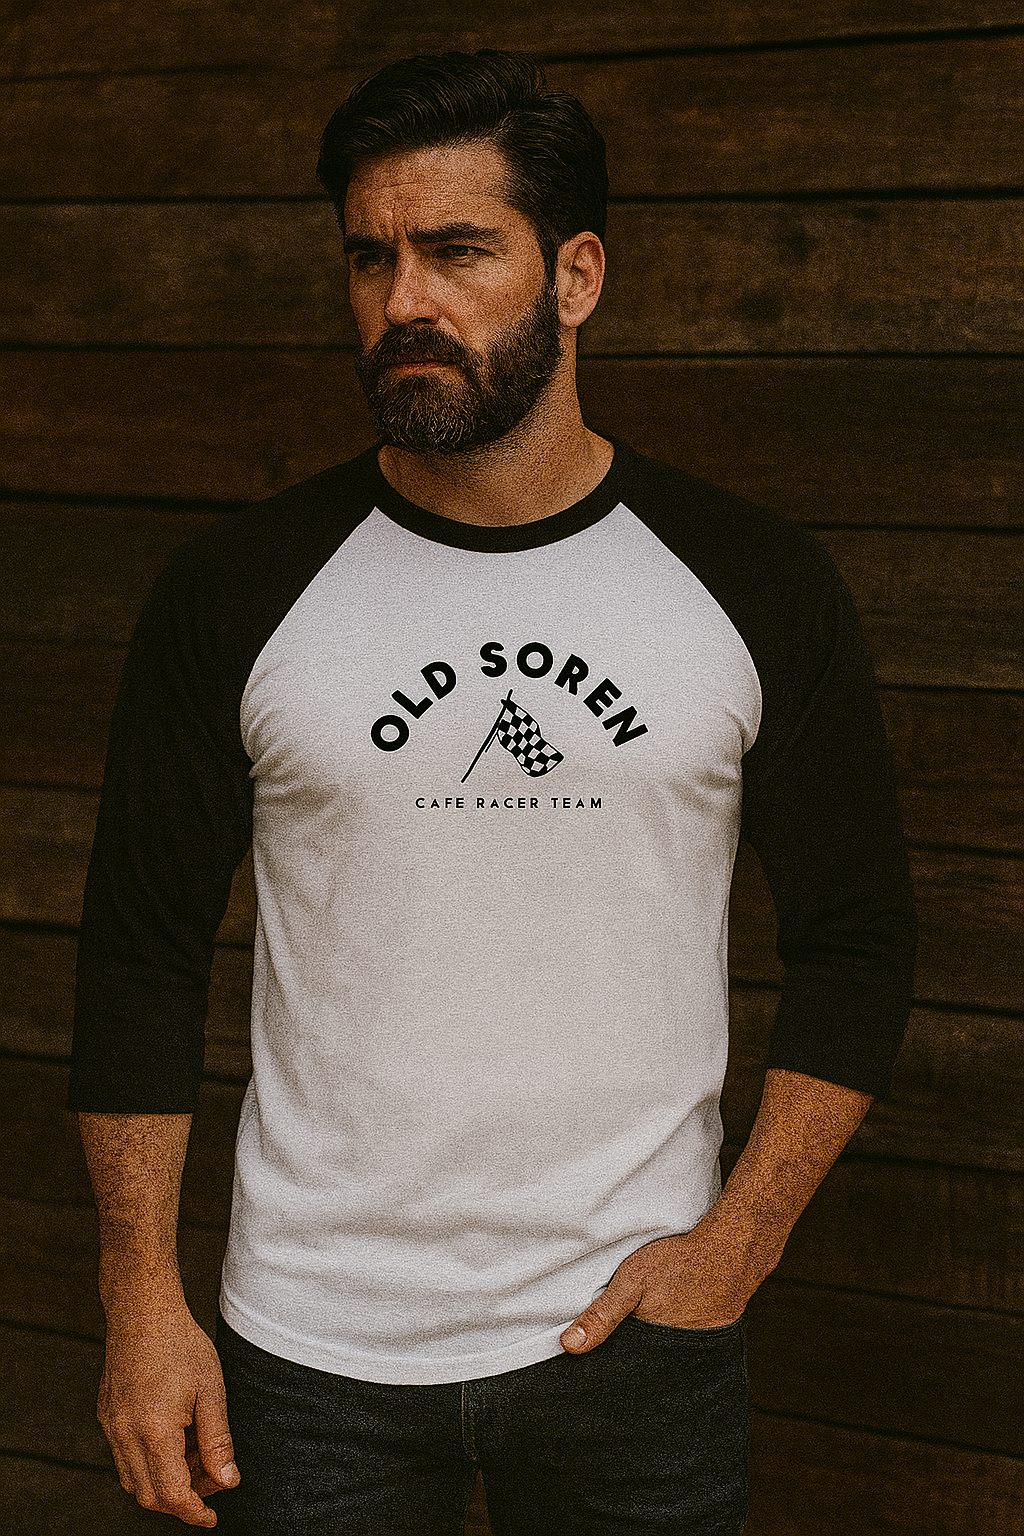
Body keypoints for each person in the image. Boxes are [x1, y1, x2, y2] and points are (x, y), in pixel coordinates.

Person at [69, 50, 917, 1535]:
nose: (405, 300)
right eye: (371, 257)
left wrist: (740, 1243)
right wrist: (143, 1297)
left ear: (576, 274)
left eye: (458, 252)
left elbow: (860, 942)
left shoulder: (756, 583)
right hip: (310, 1346)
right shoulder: (237, 592)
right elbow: (137, 955)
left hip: (638, 1337)